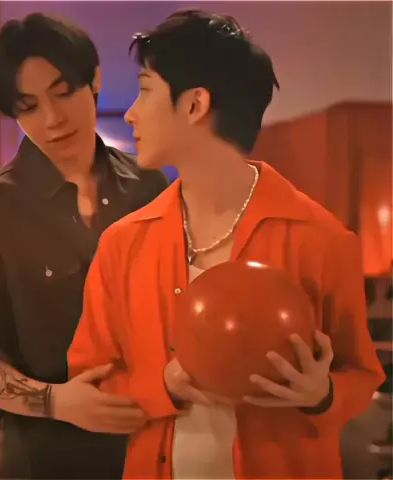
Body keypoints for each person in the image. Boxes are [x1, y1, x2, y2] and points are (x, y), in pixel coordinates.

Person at [65, 10, 386, 479]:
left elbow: (362, 374)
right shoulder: (123, 243)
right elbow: (88, 382)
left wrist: (323, 394)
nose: (130, 112)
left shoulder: (322, 239)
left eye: (145, 90)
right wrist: (162, 386)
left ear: (195, 105)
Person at [0, 13, 168, 479]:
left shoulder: (149, 186)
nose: (52, 119)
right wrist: (55, 401)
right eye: (29, 107)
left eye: (62, 92)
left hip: (152, 448)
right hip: (43, 459)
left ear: (94, 79)